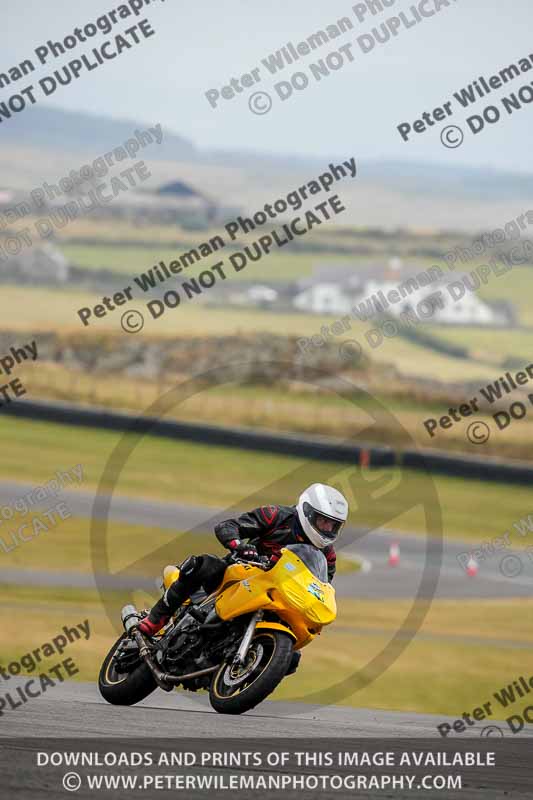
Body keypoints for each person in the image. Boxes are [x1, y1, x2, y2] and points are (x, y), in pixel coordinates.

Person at [139, 483, 349, 650]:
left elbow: (321, 584)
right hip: (242, 573)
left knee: (292, 660)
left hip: (281, 594)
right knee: (202, 565)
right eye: (323, 522)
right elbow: (228, 526)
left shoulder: (327, 555)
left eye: (333, 525)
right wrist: (239, 546)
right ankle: (156, 619)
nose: (328, 529)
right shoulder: (276, 516)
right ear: (308, 511)